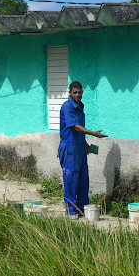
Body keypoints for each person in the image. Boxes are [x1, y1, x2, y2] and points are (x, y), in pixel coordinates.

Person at [57, 81, 107, 217]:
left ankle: (83, 208)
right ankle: (71, 211)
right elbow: (75, 126)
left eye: (79, 92)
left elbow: (79, 130)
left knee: (83, 180)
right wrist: (93, 133)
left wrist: (85, 145)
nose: (78, 95)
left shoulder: (80, 106)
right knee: (71, 180)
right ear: (70, 93)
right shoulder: (68, 106)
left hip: (79, 147)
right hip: (69, 148)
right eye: (75, 92)